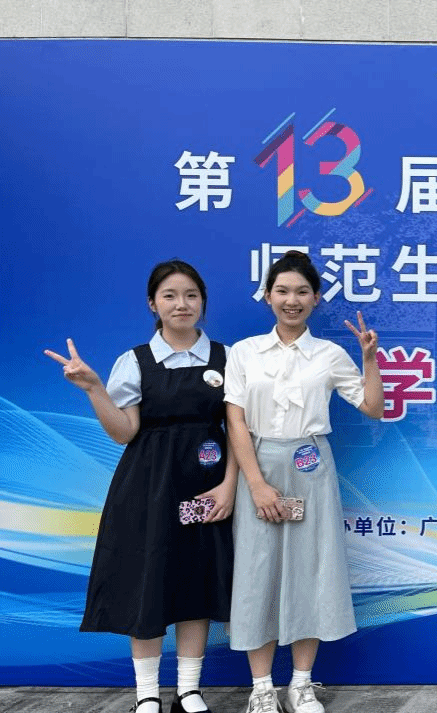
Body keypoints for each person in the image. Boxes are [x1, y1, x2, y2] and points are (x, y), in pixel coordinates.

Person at [44, 260, 236, 713]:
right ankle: (146, 694)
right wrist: (94, 389)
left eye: (191, 295)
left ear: (203, 302)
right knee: (147, 581)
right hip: (148, 487)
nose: (181, 304)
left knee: (196, 580)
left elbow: (239, 429)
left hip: (206, 486)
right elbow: (124, 431)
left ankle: (188, 690)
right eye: (170, 295)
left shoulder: (227, 358)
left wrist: (230, 485)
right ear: (153, 303)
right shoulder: (135, 361)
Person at [224, 250, 384, 713]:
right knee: (256, 572)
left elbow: (373, 408)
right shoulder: (244, 352)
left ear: (315, 298)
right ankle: (261, 689)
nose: (291, 300)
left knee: (311, 570)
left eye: (301, 292)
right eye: (282, 291)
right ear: (267, 296)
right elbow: (235, 421)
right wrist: (256, 484)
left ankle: (300, 683)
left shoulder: (329, 355)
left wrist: (369, 359)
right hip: (258, 461)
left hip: (312, 465)